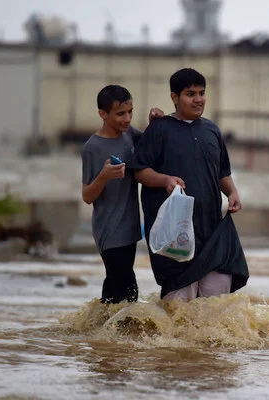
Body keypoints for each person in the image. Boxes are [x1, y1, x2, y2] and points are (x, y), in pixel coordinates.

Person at [132, 68, 249, 302]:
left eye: (202, 93)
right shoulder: (159, 129)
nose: (198, 100)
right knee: (178, 310)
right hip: (175, 234)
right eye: (190, 94)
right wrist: (165, 180)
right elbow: (139, 171)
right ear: (174, 98)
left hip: (212, 232)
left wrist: (232, 192)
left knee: (216, 308)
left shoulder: (212, 130)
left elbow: (222, 172)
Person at [81, 85, 164, 304]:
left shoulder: (129, 134)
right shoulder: (93, 147)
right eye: (120, 114)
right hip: (108, 230)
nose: (127, 119)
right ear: (103, 114)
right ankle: (109, 332)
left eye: (130, 112)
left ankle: (100, 333)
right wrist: (104, 176)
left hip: (129, 228)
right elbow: (87, 196)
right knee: (127, 289)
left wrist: (154, 122)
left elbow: (149, 143)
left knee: (117, 289)